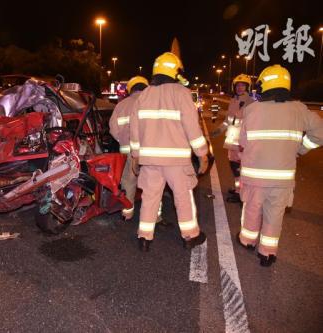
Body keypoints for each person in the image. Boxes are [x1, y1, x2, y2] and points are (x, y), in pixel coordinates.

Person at [238, 64, 323, 267]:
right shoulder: (300, 109)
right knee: (274, 215)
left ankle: (247, 240)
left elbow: (242, 142)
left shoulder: (252, 109)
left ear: (265, 85)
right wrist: (301, 148)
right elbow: (320, 134)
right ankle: (267, 253)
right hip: (282, 179)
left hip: (255, 176)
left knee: (252, 209)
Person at [130, 52, 209, 252]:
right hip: (177, 161)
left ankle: (144, 237)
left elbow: (135, 129)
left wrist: (135, 156)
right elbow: (192, 127)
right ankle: (190, 236)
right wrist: (202, 153)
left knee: (149, 198)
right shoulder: (181, 93)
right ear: (175, 71)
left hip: (150, 160)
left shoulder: (144, 95)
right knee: (183, 198)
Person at [109, 76, 148, 220]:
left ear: (130, 89)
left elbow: (113, 129)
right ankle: (155, 217)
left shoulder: (121, 105)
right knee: (151, 185)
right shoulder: (149, 103)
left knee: (127, 182)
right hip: (147, 152)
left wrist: (123, 140)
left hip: (127, 152)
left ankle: (127, 213)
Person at [211, 74, 254, 203]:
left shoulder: (251, 103)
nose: (240, 88)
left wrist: (246, 143)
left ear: (248, 87)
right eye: (238, 85)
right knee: (234, 168)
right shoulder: (233, 101)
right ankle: (238, 190)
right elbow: (228, 120)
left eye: (243, 85)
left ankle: (241, 194)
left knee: (240, 169)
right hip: (232, 142)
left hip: (242, 143)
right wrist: (218, 130)